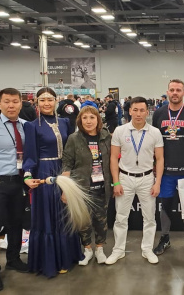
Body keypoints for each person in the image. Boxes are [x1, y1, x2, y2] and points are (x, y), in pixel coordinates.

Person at [23, 87, 83, 278]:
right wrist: (27, 175)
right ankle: (51, 261)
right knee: (49, 216)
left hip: (65, 171)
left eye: (50, 99)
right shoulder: (32, 126)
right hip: (44, 173)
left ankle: (68, 256)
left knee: (64, 213)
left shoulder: (65, 122)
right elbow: (30, 154)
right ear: (37, 103)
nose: (46, 103)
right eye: (42, 100)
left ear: (57, 101)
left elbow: (72, 150)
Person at [106, 96, 164, 265]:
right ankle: (118, 250)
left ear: (147, 112)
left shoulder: (155, 132)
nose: (139, 114)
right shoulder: (120, 131)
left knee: (150, 218)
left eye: (142, 110)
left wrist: (157, 182)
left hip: (147, 178)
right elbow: (113, 159)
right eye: (135, 110)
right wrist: (116, 182)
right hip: (125, 178)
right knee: (121, 217)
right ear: (130, 111)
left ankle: (147, 249)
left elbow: (159, 159)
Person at [152, 79, 184, 257]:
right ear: (167, 92)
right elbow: (154, 143)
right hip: (165, 172)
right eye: (172, 90)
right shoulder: (159, 114)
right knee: (165, 205)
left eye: (178, 90)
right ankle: (164, 238)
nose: (175, 93)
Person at [62, 106, 112, 265]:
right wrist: (65, 189)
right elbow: (67, 164)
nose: (89, 121)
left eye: (92, 117)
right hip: (81, 188)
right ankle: (88, 249)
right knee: (83, 221)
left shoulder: (106, 136)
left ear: (98, 119)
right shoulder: (74, 138)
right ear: (79, 120)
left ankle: (99, 249)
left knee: (101, 221)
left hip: (102, 188)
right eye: (85, 118)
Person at [0, 88, 28, 292]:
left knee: (16, 223)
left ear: (21, 103)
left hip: (19, 182)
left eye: (15, 101)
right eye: (7, 102)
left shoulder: (25, 126)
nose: (11, 105)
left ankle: (13, 259)